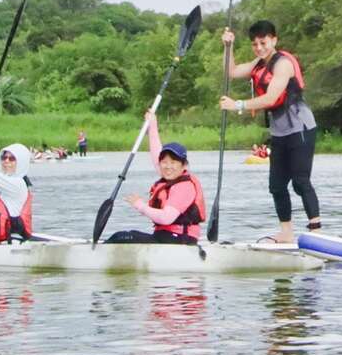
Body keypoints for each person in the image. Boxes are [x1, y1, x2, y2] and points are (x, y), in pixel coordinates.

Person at [220, 20, 321, 243]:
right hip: (280, 131)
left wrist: (238, 105)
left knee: (300, 181)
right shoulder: (258, 63)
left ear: (274, 40)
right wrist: (228, 47)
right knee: (276, 186)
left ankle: (316, 233)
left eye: (263, 42)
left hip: (300, 128)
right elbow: (231, 72)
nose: (259, 48)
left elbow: (272, 98)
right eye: (255, 44)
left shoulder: (283, 64)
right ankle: (286, 233)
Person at [106, 110, 206, 244]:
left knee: (122, 237)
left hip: (180, 239)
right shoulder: (170, 178)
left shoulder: (184, 187)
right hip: (165, 237)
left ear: (183, 166)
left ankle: (96, 255)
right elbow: (156, 155)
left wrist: (140, 206)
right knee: (121, 236)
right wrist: (152, 126)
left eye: (173, 162)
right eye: (164, 162)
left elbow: (166, 218)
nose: (168, 166)